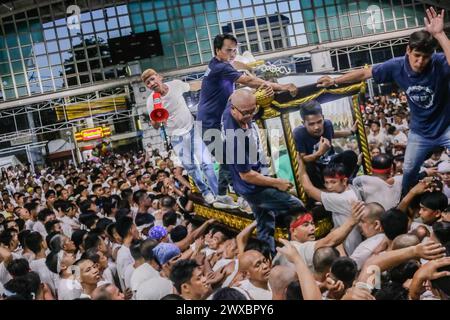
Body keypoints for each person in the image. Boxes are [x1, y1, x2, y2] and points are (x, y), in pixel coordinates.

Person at [317, 8, 450, 195]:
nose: (420, 62)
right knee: (410, 171)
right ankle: (406, 203)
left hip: (446, 127)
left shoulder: (439, 62)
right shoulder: (396, 66)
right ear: (408, 51)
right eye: (417, 56)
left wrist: (440, 34)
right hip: (420, 133)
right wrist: (334, 80)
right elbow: (365, 73)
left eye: (425, 57)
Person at [197, 33, 297, 207]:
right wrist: (281, 86)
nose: (233, 54)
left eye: (235, 50)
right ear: (217, 50)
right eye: (229, 50)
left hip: (221, 119)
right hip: (209, 123)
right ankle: (230, 195)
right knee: (230, 160)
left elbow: (241, 70)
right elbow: (249, 81)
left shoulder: (221, 64)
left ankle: (229, 194)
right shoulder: (220, 68)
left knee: (235, 157)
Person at [222, 89, 303, 254]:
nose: (250, 116)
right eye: (246, 113)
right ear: (233, 110)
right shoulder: (234, 139)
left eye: (253, 110)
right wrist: (277, 182)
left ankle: (268, 256)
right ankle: (300, 248)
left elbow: (232, 94)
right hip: (252, 188)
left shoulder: (233, 106)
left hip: (250, 180)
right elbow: (247, 175)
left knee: (265, 222)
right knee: (297, 207)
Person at [141, 68, 217, 204]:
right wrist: (156, 120)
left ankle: (218, 193)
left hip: (192, 129)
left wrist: (211, 82)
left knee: (206, 163)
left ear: (159, 77)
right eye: (148, 83)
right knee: (190, 167)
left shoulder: (175, 85)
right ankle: (205, 191)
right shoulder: (151, 101)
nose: (151, 83)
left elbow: (192, 86)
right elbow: (155, 126)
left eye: (152, 79)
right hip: (176, 137)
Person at [293, 100, 358, 189]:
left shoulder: (327, 124)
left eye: (319, 121)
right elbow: (303, 159)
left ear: (323, 118)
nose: (317, 127)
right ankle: (323, 191)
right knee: (309, 167)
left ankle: (342, 183)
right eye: (311, 124)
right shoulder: (299, 133)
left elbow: (333, 134)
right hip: (315, 169)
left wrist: (350, 132)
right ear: (303, 123)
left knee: (350, 155)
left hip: (330, 163)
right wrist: (319, 152)